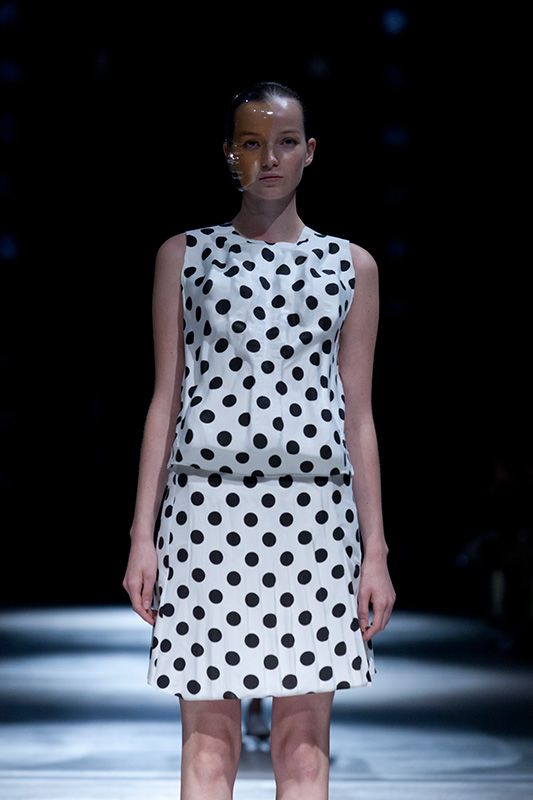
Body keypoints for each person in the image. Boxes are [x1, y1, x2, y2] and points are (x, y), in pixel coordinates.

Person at [122, 80, 396, 800]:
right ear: (228, 153)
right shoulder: (185, 256)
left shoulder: (351, 267)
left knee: (302, 749)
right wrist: (142, 536)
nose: (268, 158)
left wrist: (375, 550)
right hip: (204, 513)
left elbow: (358, 416)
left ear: (310, 152)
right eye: (251, 142)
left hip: (315, 521)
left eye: (284, 142)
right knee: (207, 746)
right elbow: (165, 399)